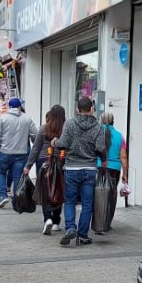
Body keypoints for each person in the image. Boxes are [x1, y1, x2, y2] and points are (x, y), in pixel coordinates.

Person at [55, 97, 106, 246]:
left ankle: (70, 227)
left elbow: (62, 144)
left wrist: (55, 142)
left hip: (71, 168)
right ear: (92, 109)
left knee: (70, 201)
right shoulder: (97, 126)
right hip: (89, 168)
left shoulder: (70, 123)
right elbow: (100, 148)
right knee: (87, 204)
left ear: (77, 109)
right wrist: (103, 159)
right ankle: (83, 235)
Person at [24, 105, 66, 235]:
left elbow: (35, 149)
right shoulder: (65, 129)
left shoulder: (43, 129)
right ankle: (56, 222)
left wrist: (28, 166)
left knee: (45, 191)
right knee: (58, 191)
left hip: (43, 162)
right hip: (60, 161)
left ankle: (47, 218)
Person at [0, 97, 37, 209]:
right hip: (21, 152)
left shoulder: (3, 118)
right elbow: (34, 134)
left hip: (5, 151)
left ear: (9, 106)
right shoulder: (27, 118)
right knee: (17, 176)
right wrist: (32, 143)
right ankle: (16, 202)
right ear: (19, 107)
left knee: (1, 172)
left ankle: (3, 195)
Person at [97, 112, 128, 230]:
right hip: (114, 169)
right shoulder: (120, 136)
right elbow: (123, 157)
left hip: (98, 167)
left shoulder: (96, 133)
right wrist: (125, 174)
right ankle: (107, 222)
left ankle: (97, 220)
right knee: (111, 195)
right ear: (113, 121)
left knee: (96, 194)